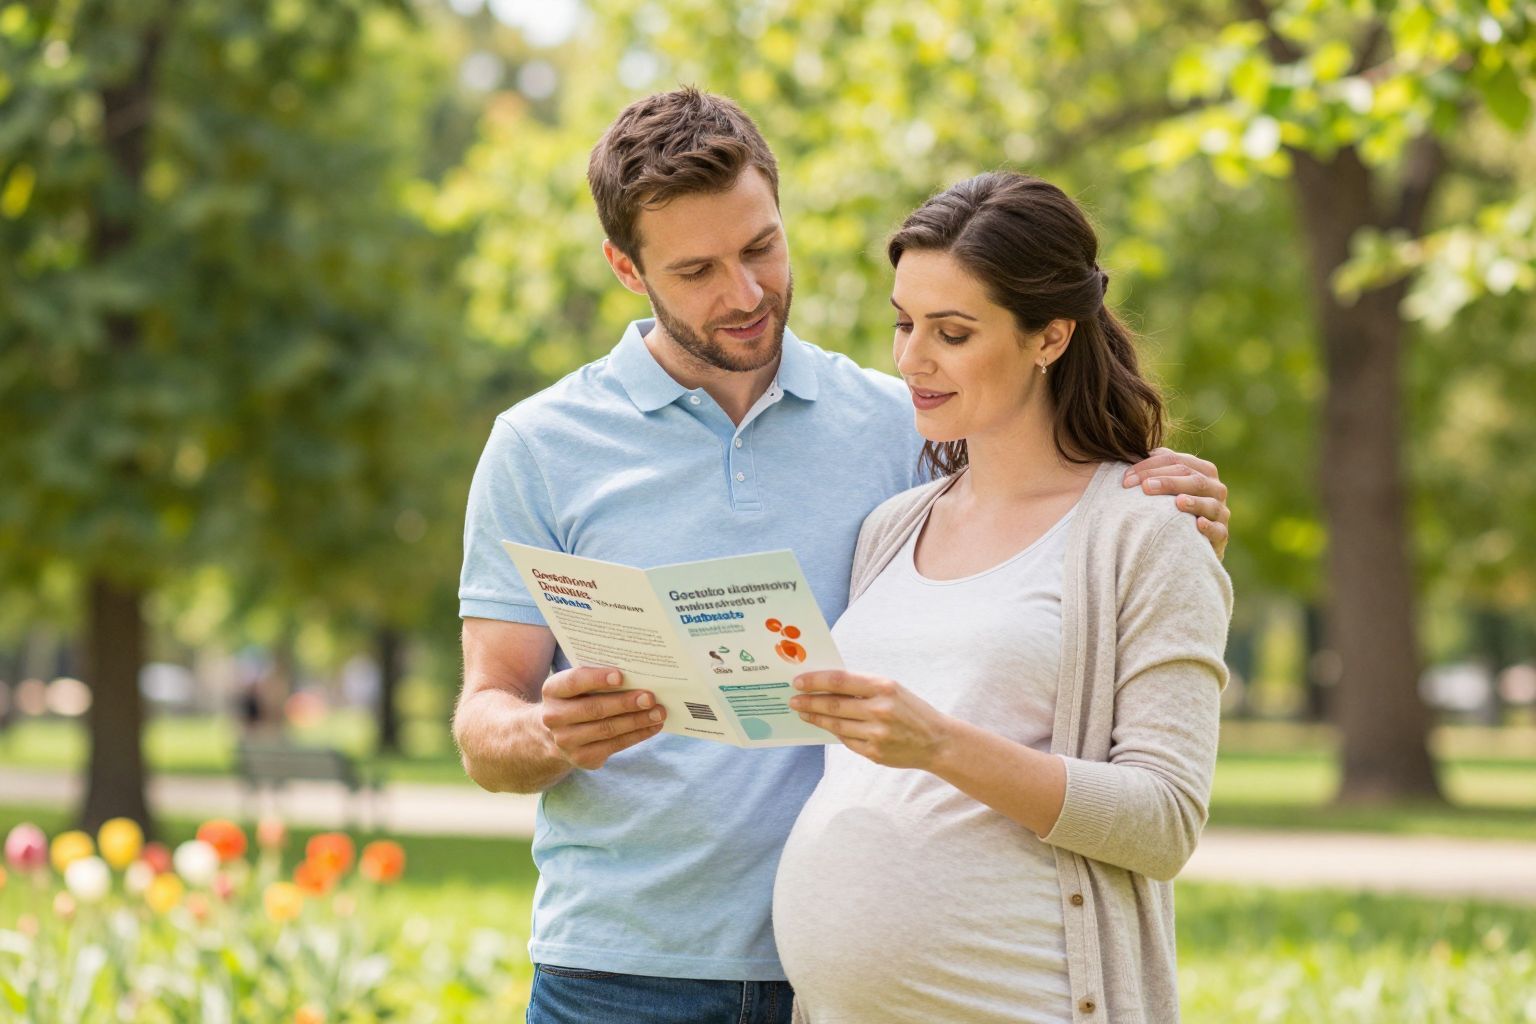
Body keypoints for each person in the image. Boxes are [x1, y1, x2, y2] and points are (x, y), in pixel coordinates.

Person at [452, 89, 1232, 1024]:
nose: (742, 293)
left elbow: (1039, 509)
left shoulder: (898, 424)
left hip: (826, 989)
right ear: (627, 268)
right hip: (620, 967)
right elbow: (485, 714)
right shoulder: (540, 445)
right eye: (697, 269)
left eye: (761, 248)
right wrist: (545, 734)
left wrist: (1149, 497)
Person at [771, 172, 1233, 1023]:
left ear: (1050, 336)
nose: (911, 359)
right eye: (904, 323)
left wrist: (940, 743)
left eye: (951, 331)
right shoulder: (891, 529)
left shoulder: (1146, 532)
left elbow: (1165, 821)